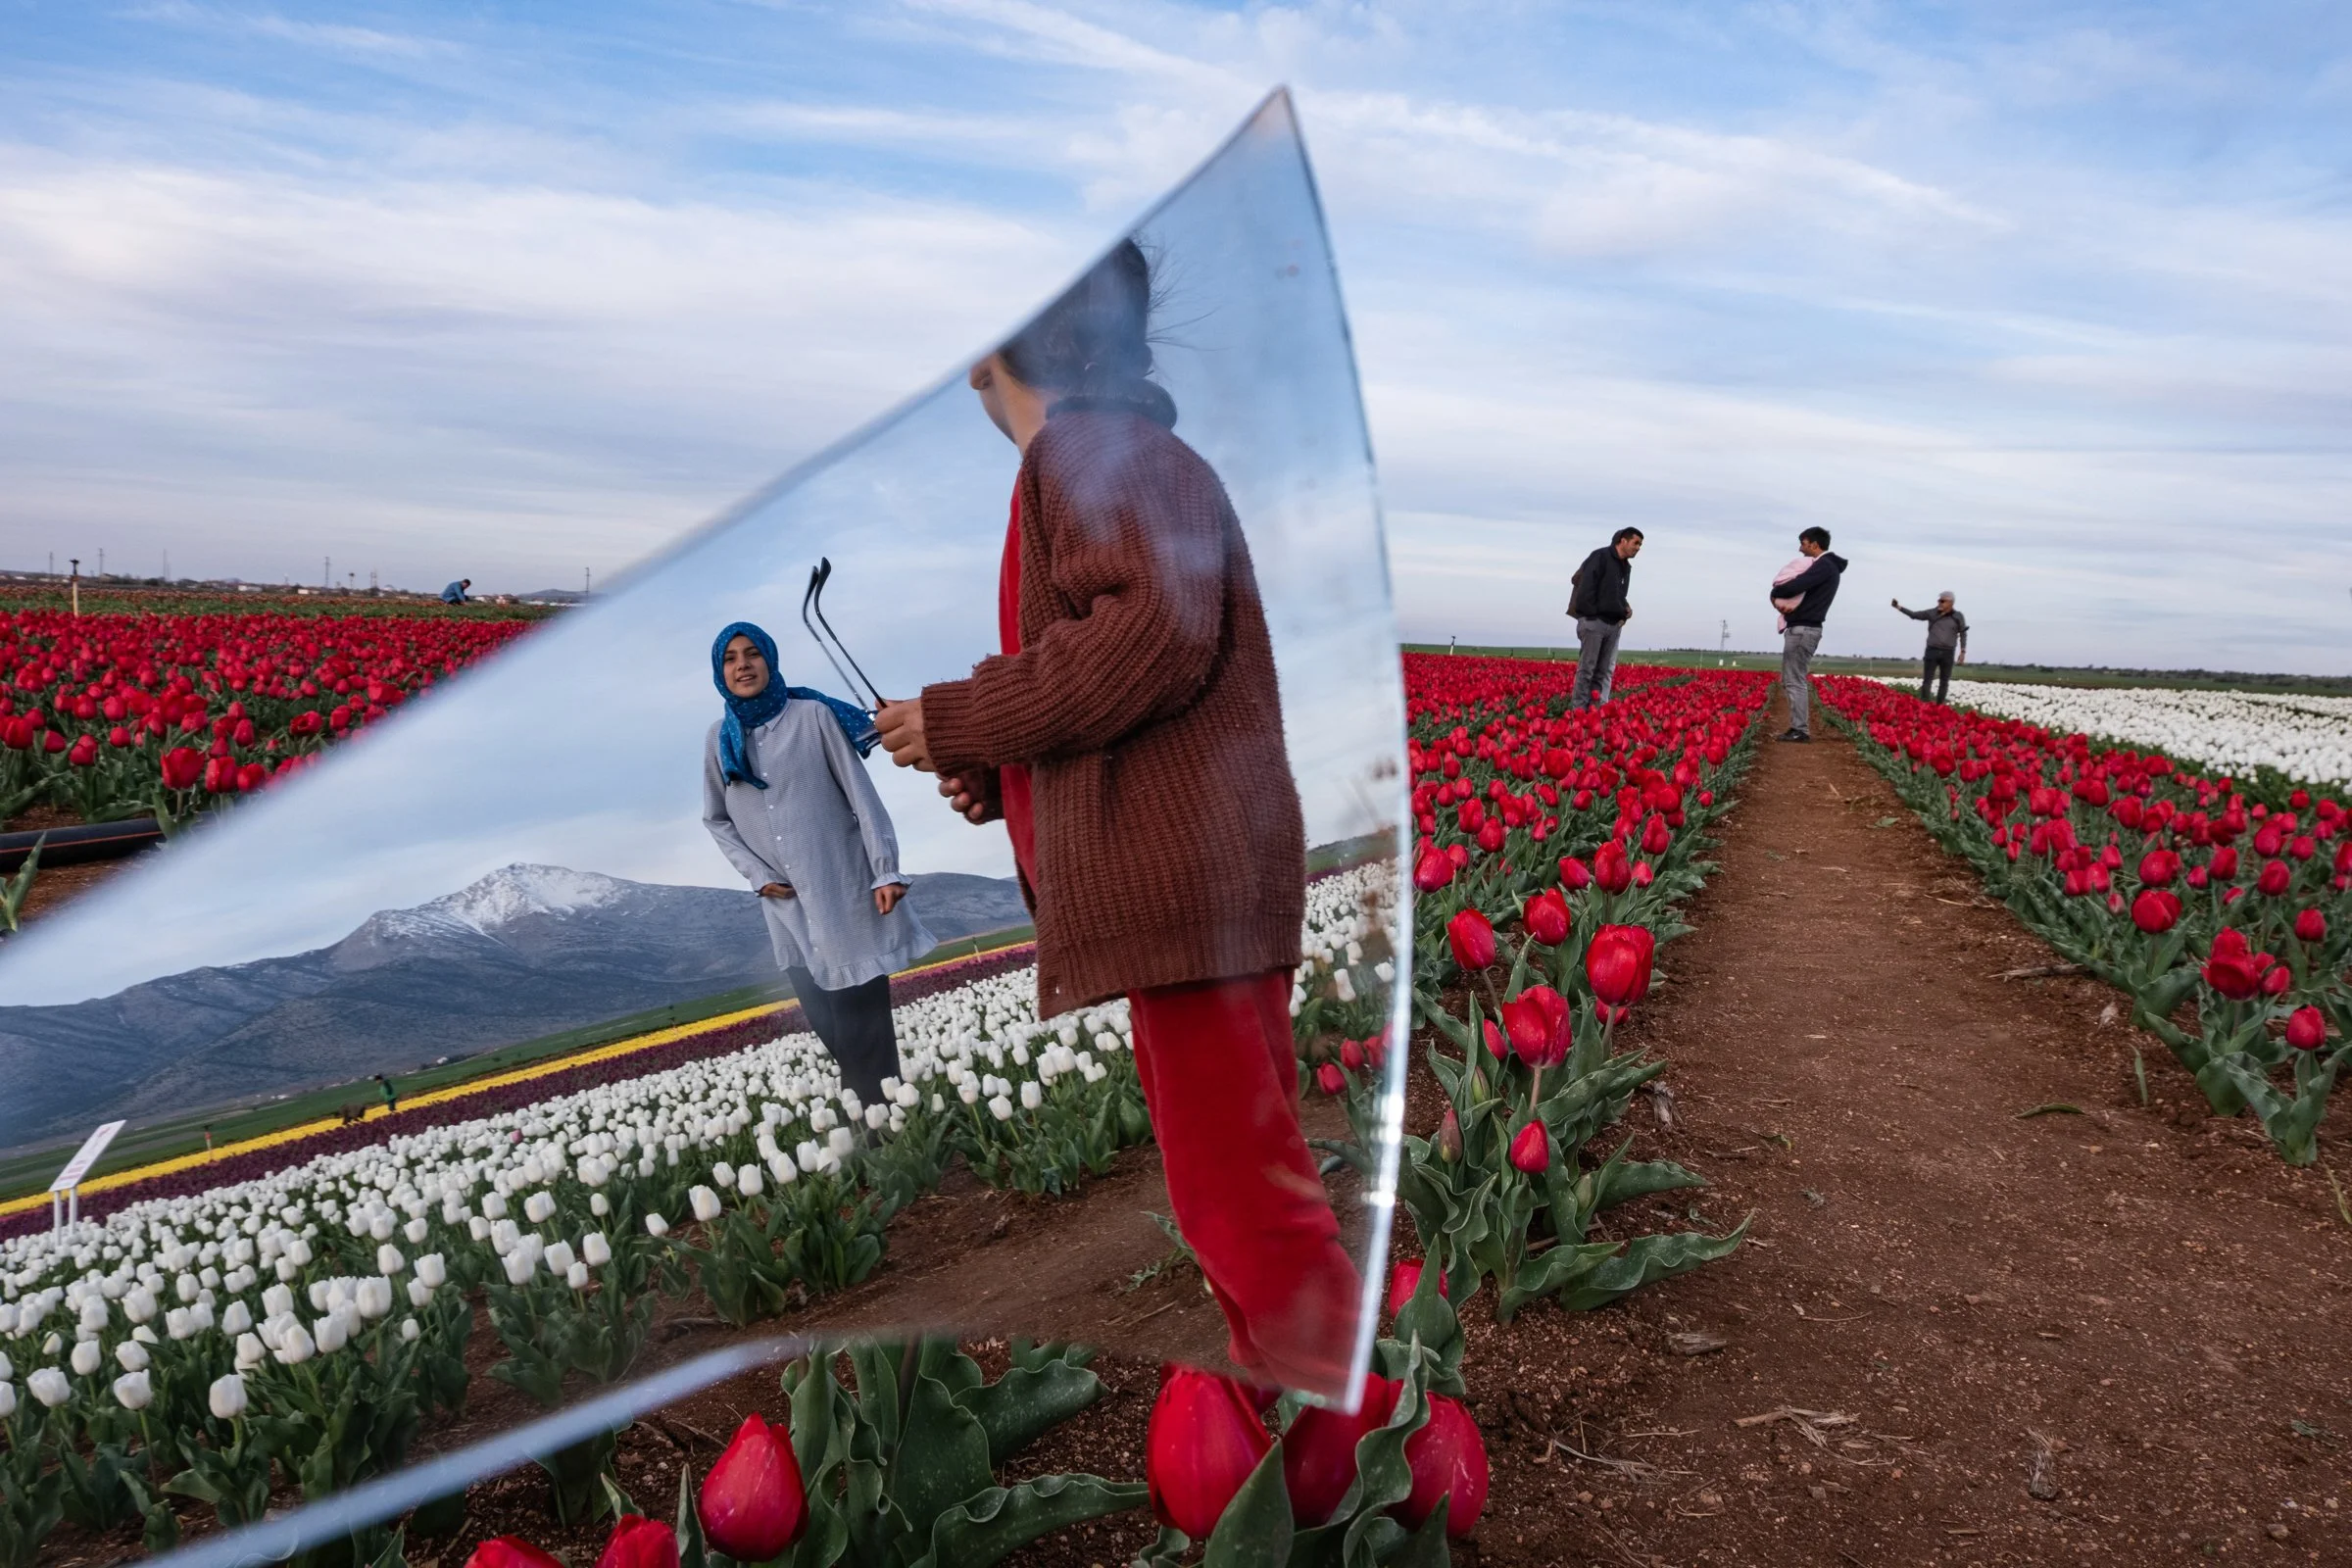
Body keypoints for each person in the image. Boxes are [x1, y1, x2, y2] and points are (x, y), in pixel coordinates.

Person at [871, 239, 1362, 1395]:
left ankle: (1356, 1442)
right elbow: (1119, 665)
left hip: (1185, 882)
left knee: (1242, 1196)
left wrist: (962, 713)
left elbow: (1153, 633)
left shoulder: (1091, 453)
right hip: (1199, 873)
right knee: (1238, 1181)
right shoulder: (1110, 457)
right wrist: (997, 762)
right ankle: (1306, 1411)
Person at [702, 621, 932, 1108]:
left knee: (863, 1031)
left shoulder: (813, 717)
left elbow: (860, 795)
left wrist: (885, 868)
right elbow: (717, 820)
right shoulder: (718, 739)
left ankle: (882, 1141)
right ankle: (890, 1131)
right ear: (720, 672)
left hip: (846, 894)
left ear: (770, 659)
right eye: (730, 658)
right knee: (834, 1033)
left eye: (752, 653)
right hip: (788, 913)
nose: (743, 665)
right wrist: (758, 876)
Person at [1767, 526, 1846, 743]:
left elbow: (1797, 585)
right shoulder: (1828, 567)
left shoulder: (1824, 566)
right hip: (1806, 627)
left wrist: (1775, 592)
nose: (1800, 549)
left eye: (1803, 543)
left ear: (1814, 544)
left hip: (1804, 629)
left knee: (1794, 679)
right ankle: (1798, 728)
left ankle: (1800, 729)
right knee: (1794, 678)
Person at [1566, 527, 1642, 710]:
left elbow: (1614, 594)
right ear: (1623, 541)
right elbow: (1585, 586)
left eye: (1640, 545)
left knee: (1603, 672)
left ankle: (1595, 712)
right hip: (1594, 622)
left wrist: (1624, 609)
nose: (1638, 548)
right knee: (1587, 669)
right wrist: (1591, 615)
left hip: (1613, 625)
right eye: (1636, 543)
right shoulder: (1600, 557)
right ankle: (1578, 712)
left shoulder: (1624, 567)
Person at [1893, 592, 1968, 704]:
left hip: (1948, 652)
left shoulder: (1958, 616)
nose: (1939, 603)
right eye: (1939, 600)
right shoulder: (1932, 613)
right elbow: (1914, 615)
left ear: (1950, 603)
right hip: (1932, 651)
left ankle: (1939, 707)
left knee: (1944, 681)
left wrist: (1962, 651)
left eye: (1942, 601)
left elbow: (1963, 633)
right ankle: (1924, 706)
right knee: (1927, 680)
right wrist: (1898, 607)